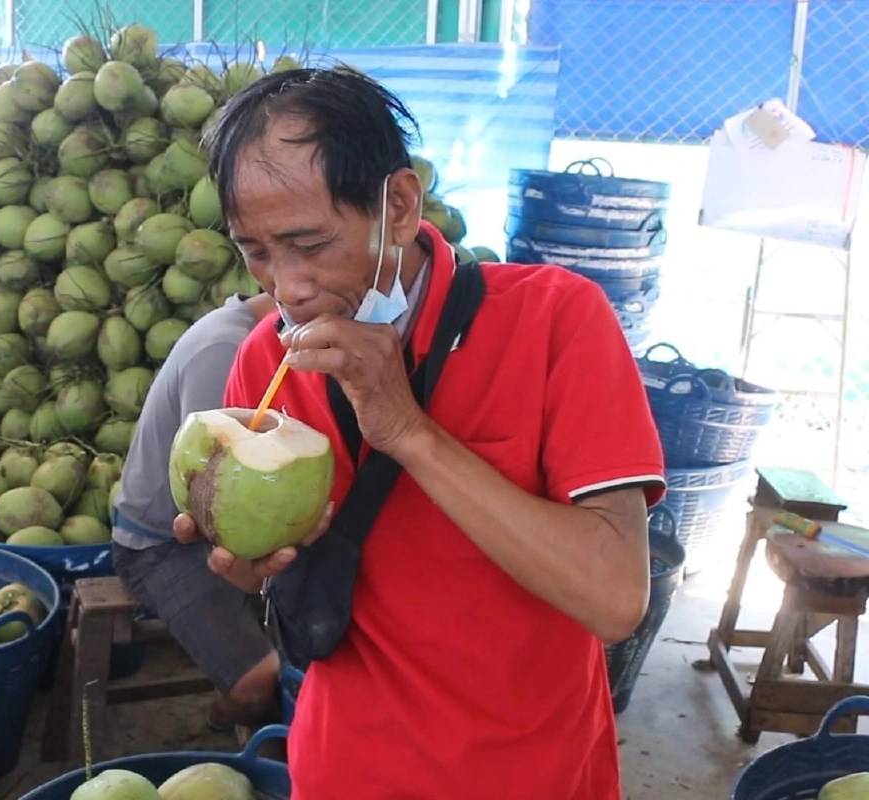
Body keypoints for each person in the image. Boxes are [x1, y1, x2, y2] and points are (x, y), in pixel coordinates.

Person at [173, 67, 667, 799]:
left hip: (534, 776)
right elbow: (270, 576)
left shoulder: (557, 320)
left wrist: (408, 430)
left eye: (310, 243)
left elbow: (615, 599)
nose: (287, 287)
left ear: (398, 206)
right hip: (346, 771)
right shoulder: (264, 364)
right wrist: (250, 563)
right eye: (257, 251)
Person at [110, 292, 281, 733]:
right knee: (257, 685)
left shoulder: (257, 338)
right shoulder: (226, 348)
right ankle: (219, 718)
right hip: (159, 545)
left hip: (222, 532)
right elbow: (212, 491)